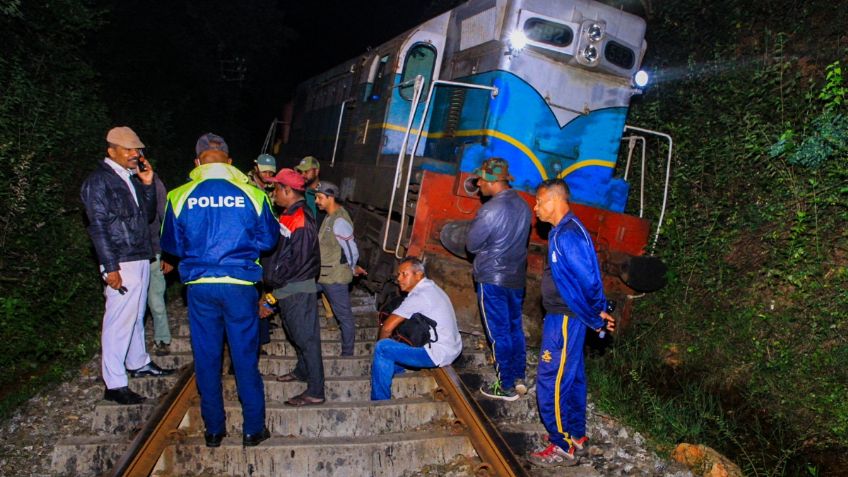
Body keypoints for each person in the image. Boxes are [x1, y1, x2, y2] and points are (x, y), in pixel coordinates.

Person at [159, 133, 279, 447]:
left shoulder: (178, 195)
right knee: (244, 357)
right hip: (239, 286)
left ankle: (214, 430)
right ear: (228, 161)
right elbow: (268, 240)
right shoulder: (253, 194)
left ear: (197, 162)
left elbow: (170, 244)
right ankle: (253, 429)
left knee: (207, 357)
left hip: (200, 286)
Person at [80, 126, 174, 406]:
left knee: (135, 315)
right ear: (112, 152)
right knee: (118, 320)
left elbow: (144, 217)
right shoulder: (99, 182)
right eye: (129, 150)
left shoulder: (128, 177)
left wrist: (146, 185)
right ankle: (115, 382)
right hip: (121, 258)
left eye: (138, 150)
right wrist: (110, 266)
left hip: (139, 254)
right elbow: (97, 227)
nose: (136, 155)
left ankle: (138, 361)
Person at [528, 179, 616, 467]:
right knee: (574, 375)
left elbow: (589, 278)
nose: (536, 207)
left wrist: (597, 312)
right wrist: (595, 313)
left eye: (540, 201)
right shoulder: (563, 230)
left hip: (565, 318)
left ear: (554, 200)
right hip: (569, 315)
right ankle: (576, 433)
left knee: (550, 379)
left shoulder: (567, 234)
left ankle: (560, 442)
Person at [465, 157, 532, 401]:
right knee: (515, 328)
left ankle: (504, 386)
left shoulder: (490, 209)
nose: (479, 183)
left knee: (498, 333)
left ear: (492, 180)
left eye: (481, 179)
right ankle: (518, 377)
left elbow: (471, 244)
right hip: (516, 279)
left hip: (492, 278)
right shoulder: (524, 206)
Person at [263, 168, 325, 406]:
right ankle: (302, 370)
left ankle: (316, 390)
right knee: (296, 333)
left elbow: (296, 263)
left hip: (296, 288)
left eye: (276, 188)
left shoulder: (299, 219)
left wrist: (273, 292)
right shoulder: (291, 214)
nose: (274, 192)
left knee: (308, 340)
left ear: (288, 190)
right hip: (290, 287)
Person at [371, 257, 462, 401]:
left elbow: (387, 327)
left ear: (418, 275)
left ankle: (379, 401)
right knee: (394, 344)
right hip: (452, 348)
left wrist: (380, 346)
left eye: (404, 274)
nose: (399, 279)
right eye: (398, 274)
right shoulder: (431, 288)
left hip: (437, 353)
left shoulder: (420, 296)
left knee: (383, 348)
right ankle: (394, 366)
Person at [313, 181, 366, 356]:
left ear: (330, 198)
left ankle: (348, 353)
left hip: (335, 277)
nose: (317, 201)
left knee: (343, 316)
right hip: (323, 275)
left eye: (320, 197)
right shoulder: (330, 216)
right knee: (301, 293)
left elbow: (352, 250)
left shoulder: (339, 220)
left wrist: (351, 268)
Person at [148, 172, 174, 356]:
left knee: (156, 298)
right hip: (127, 256)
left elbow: (166, 219)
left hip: (153, 250)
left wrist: (169, 254)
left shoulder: (154, 183)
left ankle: (162, 339)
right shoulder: (113, 182)